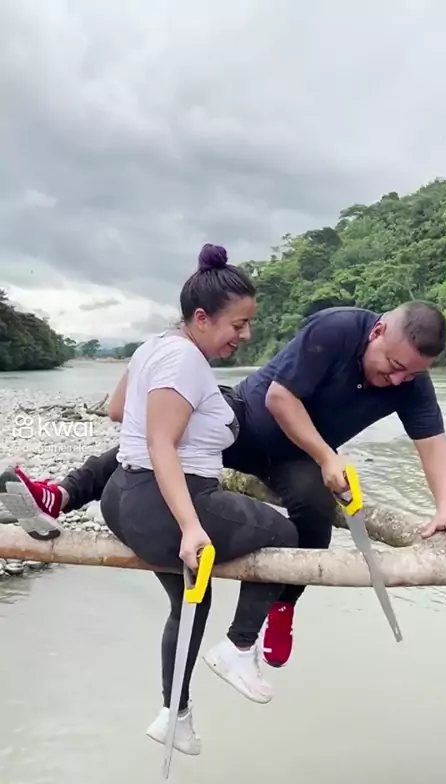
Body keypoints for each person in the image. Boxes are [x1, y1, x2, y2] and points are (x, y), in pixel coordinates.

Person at [2, 300, 446, 669]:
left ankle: (282, 608)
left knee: (314, 511)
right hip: (246, 419)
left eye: (410, 373)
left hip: (293, 457)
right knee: (164, 437)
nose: (397, 378)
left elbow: (433, 441)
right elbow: (280, 399)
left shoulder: (411, 381)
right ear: (377, 332)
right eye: (393, 364)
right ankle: (60, 495)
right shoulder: (337, 329)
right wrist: (328, 456)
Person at [1, 243, 300, 757]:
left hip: (122, 500)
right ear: (202, 318)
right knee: (285, 532)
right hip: (167, 508)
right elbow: (162, 442)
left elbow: (120, 411)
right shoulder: (185, 360)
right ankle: (239, 646)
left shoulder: (154, 348)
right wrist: (190, 526)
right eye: (239, 324)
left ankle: (174, 715)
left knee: (192, 601)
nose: (246, 335)